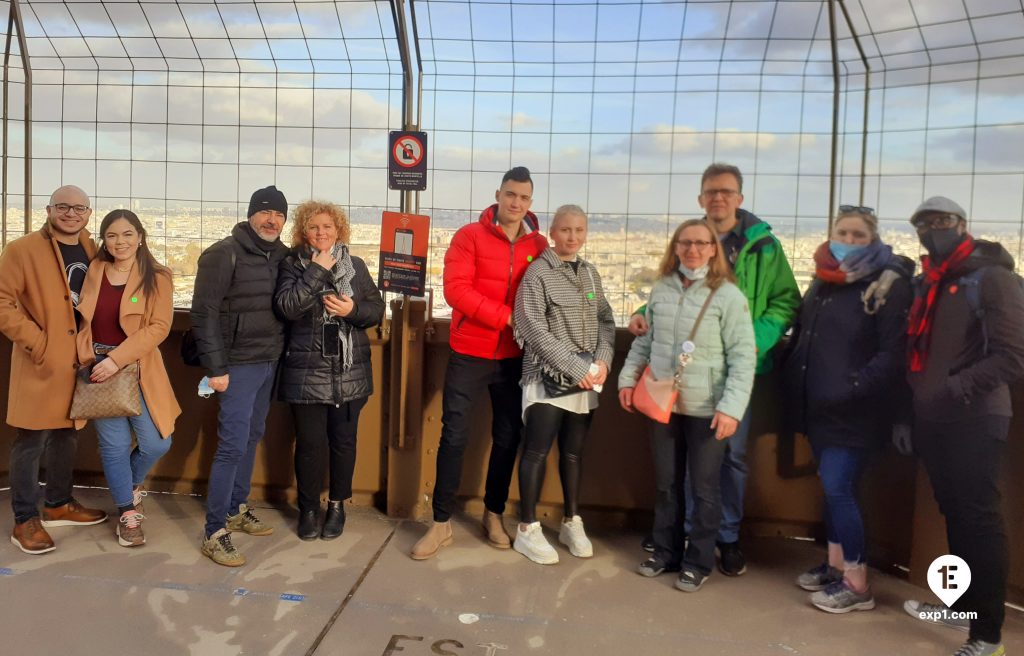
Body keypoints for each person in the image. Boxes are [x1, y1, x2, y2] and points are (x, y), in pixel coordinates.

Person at [629, 163, 800, 575]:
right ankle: (687, 535)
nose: (718, 198)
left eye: (726, 191)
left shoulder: (764, 247)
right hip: (689, 377)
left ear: (740, 198)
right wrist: (641, 313)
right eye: (711, 191)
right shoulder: (691, 240)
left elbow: (785, 301)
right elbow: (669, 296)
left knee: (732, 458)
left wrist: (752, 339)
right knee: (691, 462)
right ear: (700, 198)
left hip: (735, 373)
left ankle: (726, 535)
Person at [900, 197, 1024, 656]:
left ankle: (988, 636)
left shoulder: (992, 278)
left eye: (943, 221)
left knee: (979, 519)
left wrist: (953, 388)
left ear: (963, 225)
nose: (934, 229)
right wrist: (910, 410)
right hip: (934, 418)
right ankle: (966, 608)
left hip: (976, 416)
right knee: (954, 514)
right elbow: (916, 354)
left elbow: (1012, 355)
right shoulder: (927, 283)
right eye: (925, 223)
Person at [411, 166, 548, 560]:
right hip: (469, 352)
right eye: (510, 195)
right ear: (498, 195)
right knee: (453, 436)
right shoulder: (468, 236)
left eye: (523, 198)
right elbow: (457, 291)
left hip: (514, 357)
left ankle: (493, 513)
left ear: (530, 203)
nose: (516, 203)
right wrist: (505, 317)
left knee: (507, 438)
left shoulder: (538, 246)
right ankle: (440, 522)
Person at [781, 206, 912, 612]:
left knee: (839, 488)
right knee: (834, 489)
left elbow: (894, 352)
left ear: (873, 239)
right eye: (843, 233)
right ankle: (837, 565)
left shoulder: (887, 283)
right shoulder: (825, 279)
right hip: (821, 406)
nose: (850, 241)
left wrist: (854, 387)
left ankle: (857, 583)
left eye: (858, 235)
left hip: (856, 411)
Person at [619, 219, 755, 592]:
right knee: (666, 484)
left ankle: (698, 561)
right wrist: (628, 378)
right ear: (675, 248)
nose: (692, 250)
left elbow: (743, 357)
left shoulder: (728, 297)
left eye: (701, 243)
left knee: (705, 488)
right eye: (685, 243)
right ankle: (666, 552)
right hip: (666, 404)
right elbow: (647, 343)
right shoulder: (661, 290)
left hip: (708, 406)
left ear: (713, 249)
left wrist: (731, 408)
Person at [0, 185, 107, 554]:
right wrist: (38, 342)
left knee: (67, 434)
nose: (71, 213)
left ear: (89, 214)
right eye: (63, 207)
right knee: (31, 440)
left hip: (78, 360)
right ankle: (24, 520)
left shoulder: (94, 248)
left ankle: (58, 503)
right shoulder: (21, 250)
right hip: (40, 360)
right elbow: (2, 301)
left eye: (79, 208)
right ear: (49, 210)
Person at [190, 185, 290, 566]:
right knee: (232, 444)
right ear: (251, 215)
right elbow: (204, 313)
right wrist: (216, 368)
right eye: (265, 213)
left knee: (252, 436)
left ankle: (235, 507)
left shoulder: (281, 255)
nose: (272, 220)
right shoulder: (223, 254)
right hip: (236, 366)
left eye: (279, 215)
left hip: (269, 361)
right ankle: (214, 532)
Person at [510, 205, 616, 564]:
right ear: (552, 233)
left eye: (579, 230)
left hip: (585, 378)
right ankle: (527, 527)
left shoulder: (590, 274)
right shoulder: (538, 273)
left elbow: (605, 319)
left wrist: (602, 359)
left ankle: (572, 520)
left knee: (573, 453)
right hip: (546, 377)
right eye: (566, 230)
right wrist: (574, 366)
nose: (573, 237)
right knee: (536, 451)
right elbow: (531, 326)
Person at [274, 201, 384, 541]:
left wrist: (352, 309)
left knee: (343, 442)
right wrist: (317, 270)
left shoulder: (357, 266)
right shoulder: (293, 264)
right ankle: (308, 509)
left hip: (349, 370)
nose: (321, 233)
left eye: (328, 227)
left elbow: (375, 311)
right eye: (314, 228)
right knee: (308, 444)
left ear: (339, 231)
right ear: (303, 232)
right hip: (308, 370)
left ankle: (337, 506)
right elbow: (288, 307)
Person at [75, 209, 181, 547]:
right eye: (111, 235)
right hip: (96, 365)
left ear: (140, 236)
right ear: (103, 240)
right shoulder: (95, 269)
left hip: (137, 364)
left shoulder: (158, 276)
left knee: (157, 442)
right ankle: (126, 512)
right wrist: (92, 358)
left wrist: (116, 360)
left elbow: (160, 327)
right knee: (115, 445)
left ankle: (132, 485)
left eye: (126, 234)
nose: (119, 242)